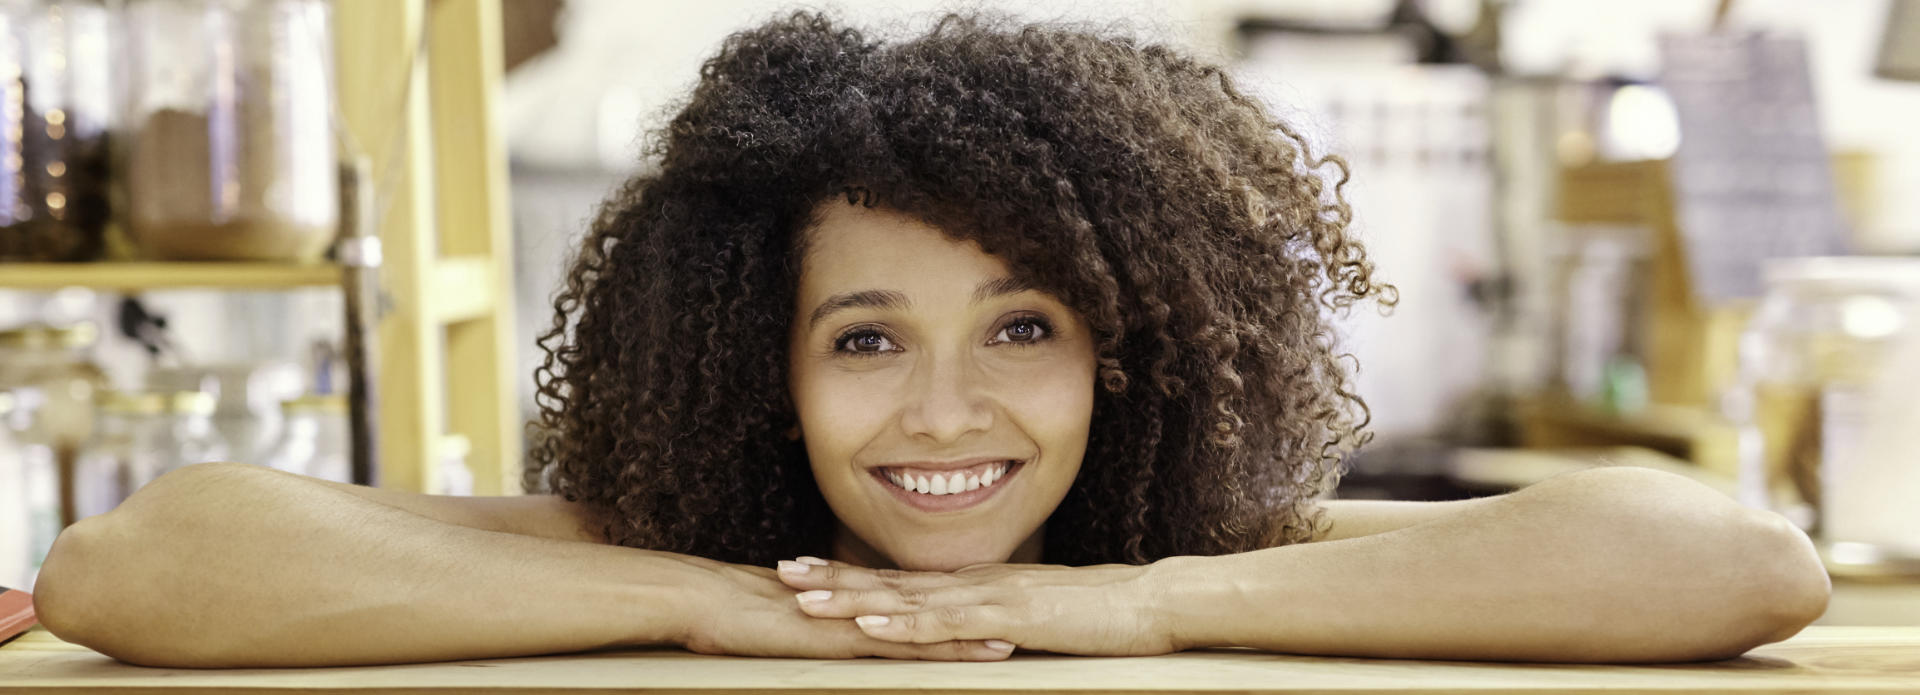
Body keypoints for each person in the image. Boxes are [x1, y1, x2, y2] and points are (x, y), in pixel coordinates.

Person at [31, 9, 1828, 669]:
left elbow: (1743, 568)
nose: (945, 412)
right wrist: (711, 599)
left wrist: (1146, 601)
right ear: (761, 356)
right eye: (868, 340)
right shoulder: (691, 555)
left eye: (1025, 324)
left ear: (1129, 352)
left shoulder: (1193, 551)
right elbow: (134, 567)